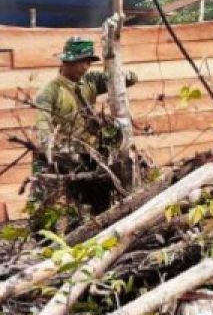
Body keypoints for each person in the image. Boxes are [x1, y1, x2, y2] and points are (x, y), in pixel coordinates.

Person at [30, 36, 136, 220]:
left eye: (88, 62)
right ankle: (43, 242)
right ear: (67, 62)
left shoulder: (90, 82)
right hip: (60, 153)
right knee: (44, 203)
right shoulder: (50, 91)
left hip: (88, 152)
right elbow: (43, 124)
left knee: (97, 199)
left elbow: (129, 79)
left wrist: (116, 72)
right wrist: (51, 148)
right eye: (82, 62)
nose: (86, 67)